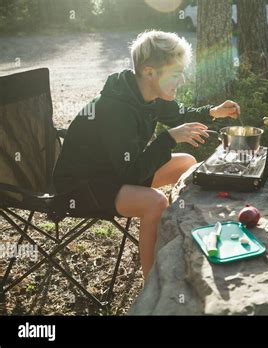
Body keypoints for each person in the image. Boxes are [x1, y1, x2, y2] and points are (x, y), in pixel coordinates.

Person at [53, 30, 240, 279]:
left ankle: (176, 239)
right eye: (175, 74)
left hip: (114, 173)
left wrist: (213, 112)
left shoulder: (148, 94)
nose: (182, 80)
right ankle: (152, 284)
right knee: (155, 202)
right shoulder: (116, 109)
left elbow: (179, 114)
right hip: (82, 187)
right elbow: (131, 172)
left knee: (187, 163)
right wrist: (168, 138)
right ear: (150, 73)